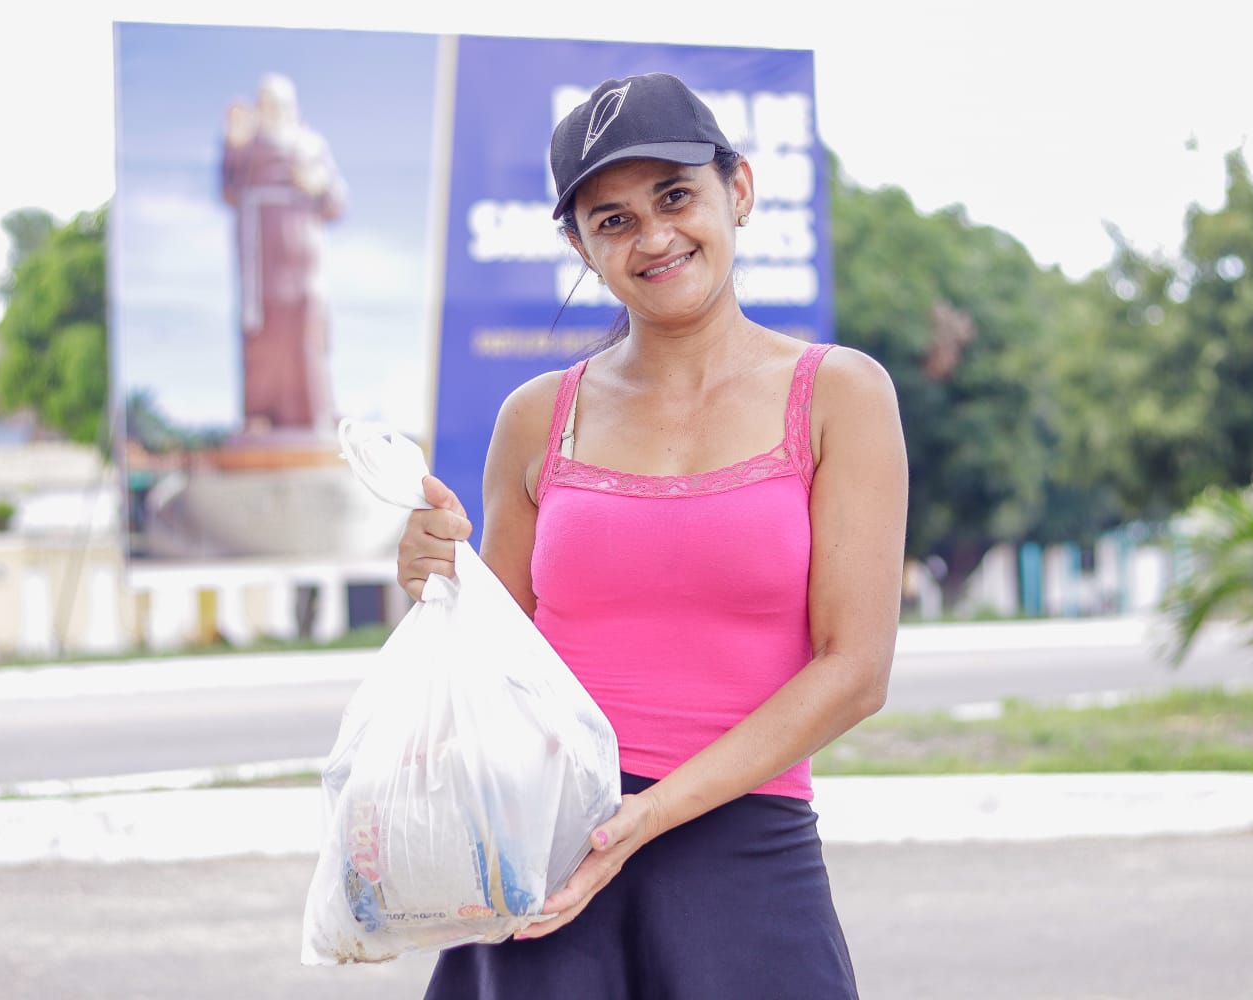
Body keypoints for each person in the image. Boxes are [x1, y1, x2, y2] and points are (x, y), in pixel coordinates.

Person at [398, 72, 908, 999]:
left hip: (743, 856)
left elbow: (855, 668)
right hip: (545, 849)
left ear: (738, 190)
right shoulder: (535, 417)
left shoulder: (840, 396)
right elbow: (493, 664)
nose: (655, 237)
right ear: (579, 245)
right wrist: (432, 583)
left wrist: (649, 816)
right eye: (613, 219)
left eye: (675, 196)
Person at [221, 73, 347, 433]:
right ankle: (261, 412)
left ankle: (312, 412)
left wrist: (315, 183)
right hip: (261, 254)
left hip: (303, 254)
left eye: (279, 102)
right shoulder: (248, 144)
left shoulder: (311, 143)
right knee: (262, 332)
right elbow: (228, 186)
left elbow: (335, 198)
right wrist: (233, 141)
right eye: (266, 102)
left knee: (307, 326)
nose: (273, 110)